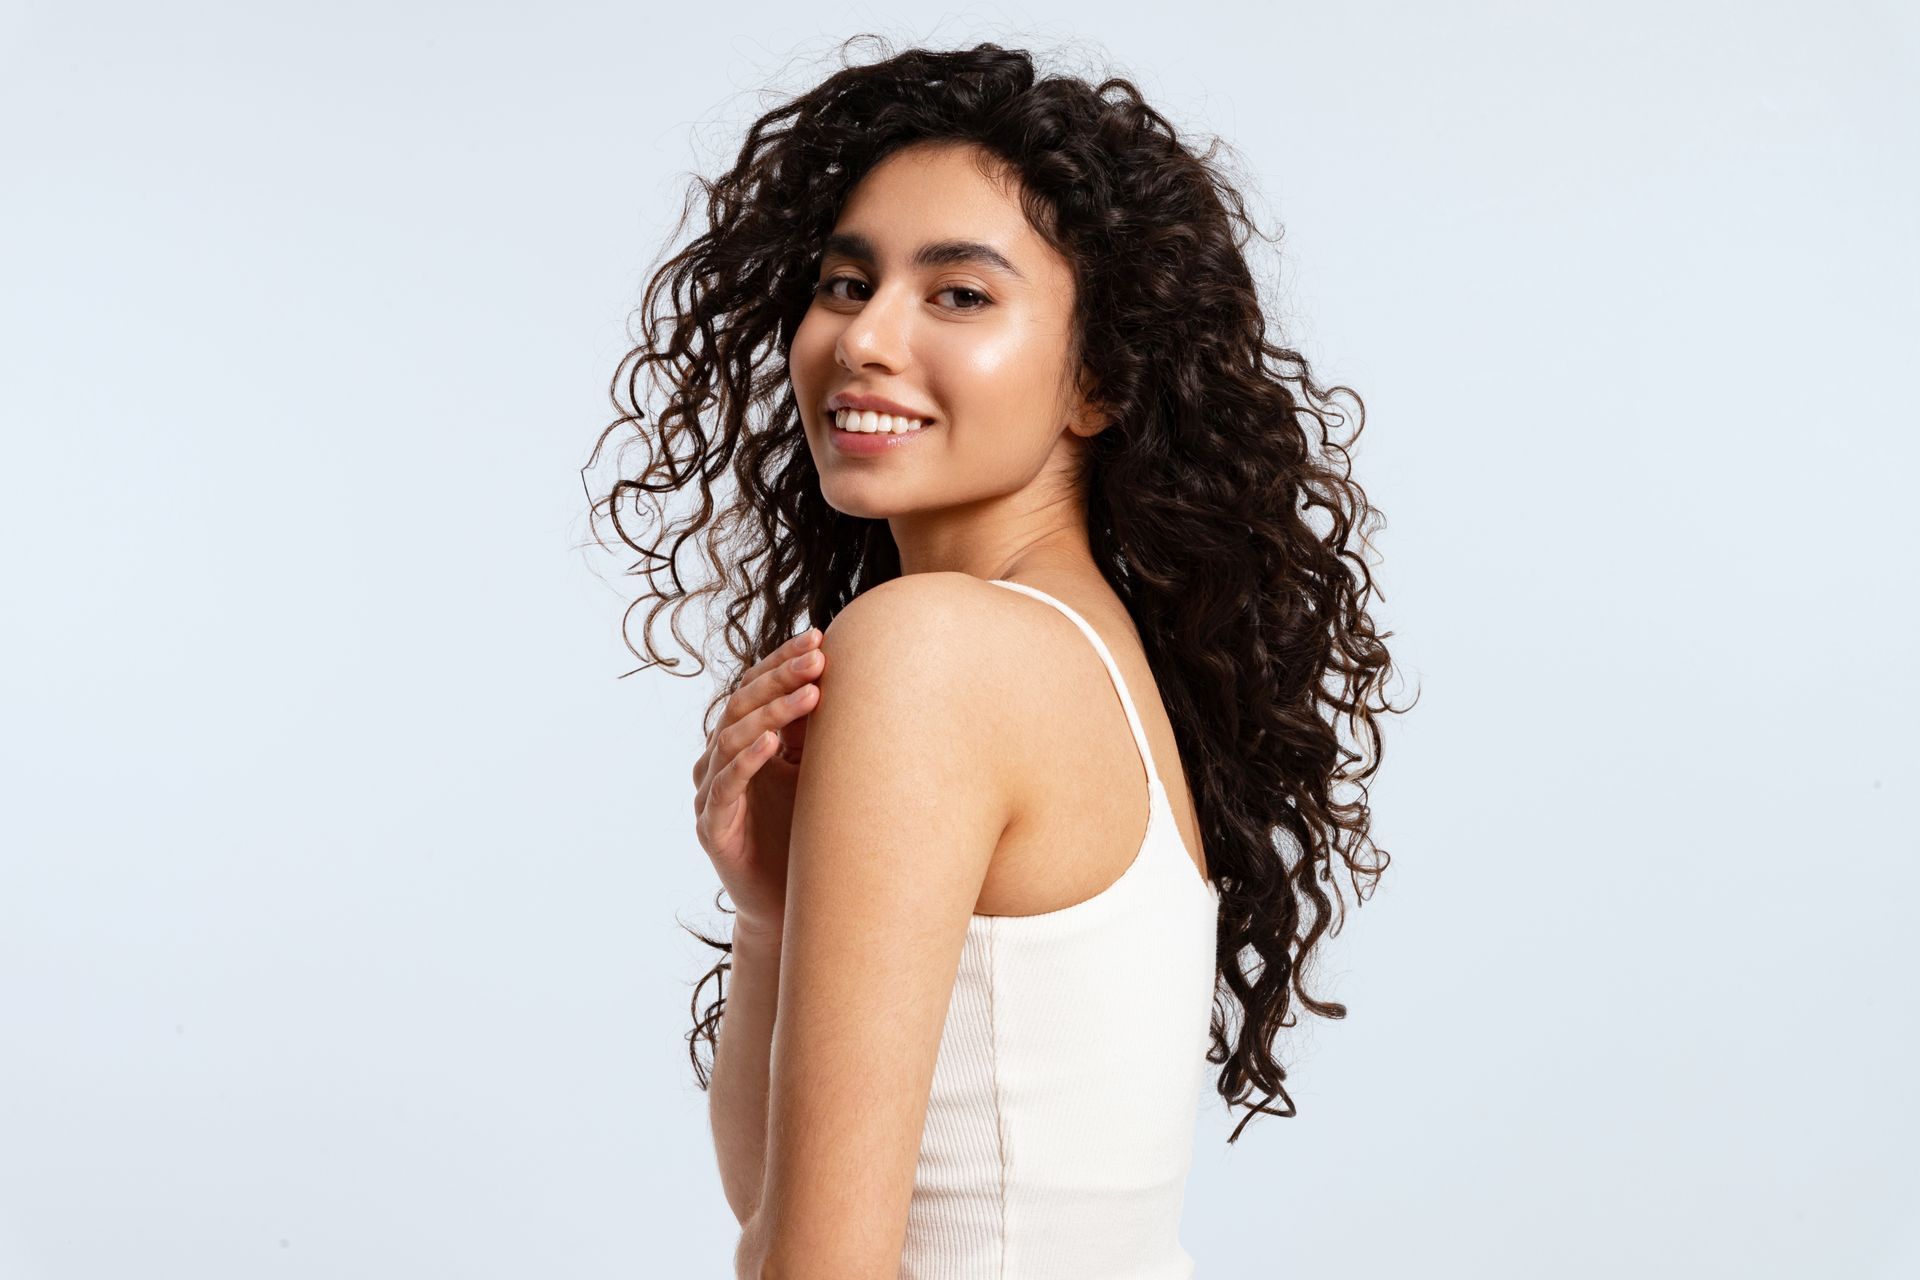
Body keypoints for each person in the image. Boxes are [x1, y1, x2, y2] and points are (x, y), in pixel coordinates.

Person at [585, 35, 1410, 1279]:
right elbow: (786, 1207)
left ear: (1099, 380)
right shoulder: (1077, 649)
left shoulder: (940, 650)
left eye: (958, 293)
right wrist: (772, 914)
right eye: (845, 281)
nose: (865, 338)